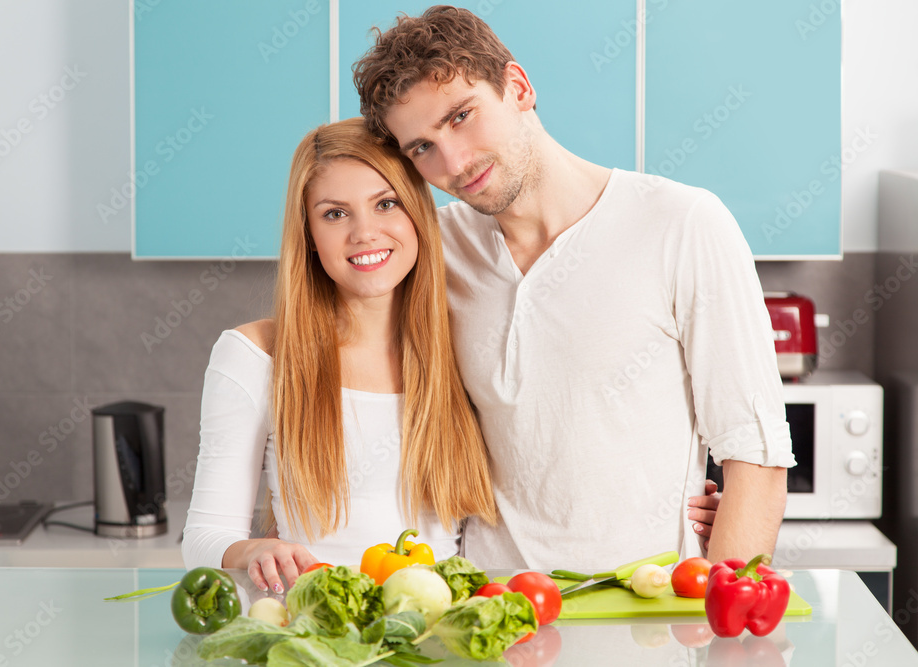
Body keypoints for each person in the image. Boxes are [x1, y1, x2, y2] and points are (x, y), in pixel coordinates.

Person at [353, 5, 794, 570]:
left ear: (517, 87)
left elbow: (754, 455)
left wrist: (718, 624)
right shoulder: (436, 248)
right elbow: (338, 339)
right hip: (490, 617)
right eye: (422, 148)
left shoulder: (681, 223)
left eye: (462, 116)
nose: (454, 162)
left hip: (645, 625)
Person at [181, 118, 497, 593]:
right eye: (334, 214)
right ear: (308, 233)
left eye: (386, 204)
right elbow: (203, 539)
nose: (364, 233)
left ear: (417, 215)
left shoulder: (463, 347)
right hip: (317, 630)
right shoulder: (255, 356)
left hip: (437, 633)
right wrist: (253, 550)